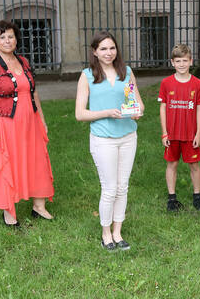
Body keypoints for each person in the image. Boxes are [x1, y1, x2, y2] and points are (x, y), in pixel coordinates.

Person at [0, 20, 54, 227]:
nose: (7, 40)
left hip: (30, 121)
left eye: (10, 36)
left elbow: (33, 91)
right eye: (2, 37)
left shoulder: (24, 62)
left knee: (37, 159)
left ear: (16, 39)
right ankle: (8, 213)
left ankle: (39, 206)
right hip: (3, 125)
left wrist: (42, 120)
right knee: (6, 166)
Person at [75, 31, 144, 251]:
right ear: (95, 51)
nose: (108, 53)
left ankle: (118, 232)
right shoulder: (87, 76)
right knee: (110, 188)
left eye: (112, 48)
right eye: (103, 49)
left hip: (128, 137)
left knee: (123, 187)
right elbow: (80, 114)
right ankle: (106, 234)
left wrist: (136, 112)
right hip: (103, 139)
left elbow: (137, 103)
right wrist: (106, 112)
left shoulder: (127, 72)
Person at [158, 44, 200, 212]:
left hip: (190, 134)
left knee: (194, 165)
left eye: (184, 61)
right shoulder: (166, 83)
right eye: (178, 61)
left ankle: (197, 195)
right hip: (171, 134)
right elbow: (163, 108)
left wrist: (198, 133)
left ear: (191, 61)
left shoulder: (197, 84)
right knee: (172, 164)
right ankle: (172, 198)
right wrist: (164, 133)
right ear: (172, 62)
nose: (181, 64)